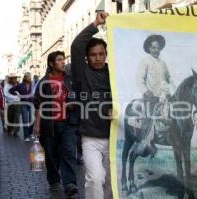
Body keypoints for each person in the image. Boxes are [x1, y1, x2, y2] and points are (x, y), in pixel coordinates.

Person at [71, 12, 113, 199]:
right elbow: (77, 45)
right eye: (93, 55)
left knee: (112, 183)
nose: (97, 58)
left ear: (106, 54)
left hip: (114, 137)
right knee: (95, 179)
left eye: (101, 54)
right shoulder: (81, 74)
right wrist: (96, 23)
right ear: (87, 58)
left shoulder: (115, 73)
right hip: (90, 138)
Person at [33, 51, 79, 198]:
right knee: (52, 155)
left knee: (68, 152)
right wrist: (37, 125)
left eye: (63, 59)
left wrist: (73, 104)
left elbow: (78, 98)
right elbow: (38, 105)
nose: (63, 62)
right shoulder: (44, 82)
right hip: (49, 124)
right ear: (51, 63)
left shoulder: (70, 80)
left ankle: (70, 184)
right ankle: (53, 180)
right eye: (59, 60)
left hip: (68, 123)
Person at [9, 72, 34, 141]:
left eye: (30, 76)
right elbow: (10, 90)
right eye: (29, 77)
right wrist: (17, 95)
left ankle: (30, 133)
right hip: (23, 104)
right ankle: (26, 136)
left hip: (31, 104)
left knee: (32, 120)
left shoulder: (32, 84)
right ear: (25, 78)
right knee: (25, 120)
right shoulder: (20, 85)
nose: (30, 78)